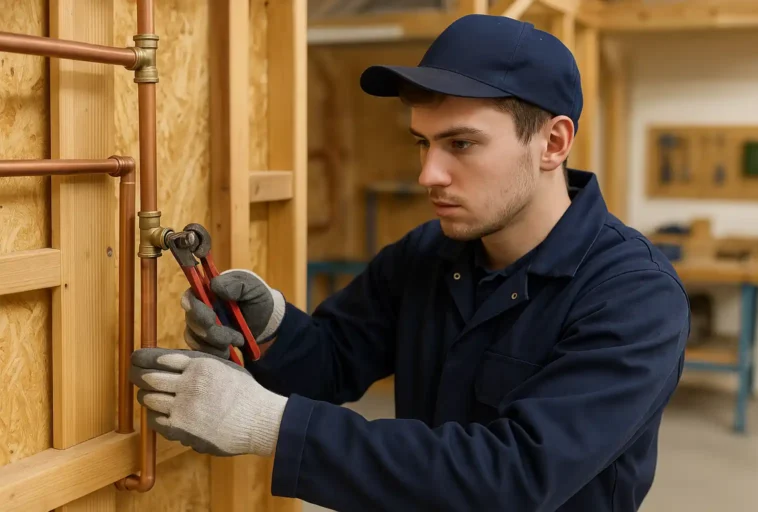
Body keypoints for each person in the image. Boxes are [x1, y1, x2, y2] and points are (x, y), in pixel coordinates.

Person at [130, 14, 690, 512]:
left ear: (552, 142)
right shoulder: (427, 253)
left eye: (462, 144)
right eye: (423, 143)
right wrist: (273, 328)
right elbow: (335, 360)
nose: (429, 175)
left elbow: (515, 476)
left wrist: (269, 425)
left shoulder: (634, 296)